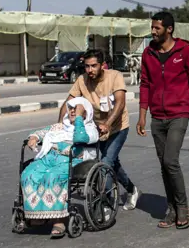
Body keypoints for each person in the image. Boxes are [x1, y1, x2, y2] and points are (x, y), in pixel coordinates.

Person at [137, 11, 189, 229]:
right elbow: (145, 84)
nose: (153, 31)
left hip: (179, 114)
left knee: (170, 161)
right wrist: (142, 116)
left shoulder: (186, 51)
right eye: (152, 27)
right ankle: (172, 208)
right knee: (163, 165)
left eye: (157, 28)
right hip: (157, 116)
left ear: (169, 29)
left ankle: (183, 207)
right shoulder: (148, 53)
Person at [60, 49, 141, 210]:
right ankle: (132, 190)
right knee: (112, 162)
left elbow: (120, 102)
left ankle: (105, 204)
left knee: (106, 162)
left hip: (117, 126)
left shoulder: (115, 76)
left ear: (102, 65)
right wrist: (59, 126)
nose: (90, 70)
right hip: (96, 129)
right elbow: (68, 103)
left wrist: (108, 124)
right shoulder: (82, 80)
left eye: (94, 66)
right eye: (87, 66)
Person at [20, 98, 99, 238]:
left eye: (77, 108)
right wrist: (34, 137)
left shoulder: (90, 129)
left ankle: (59, 221)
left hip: (71, 160)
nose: (73, 111)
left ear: (86, 111)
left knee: (53, 177)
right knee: (28, 174)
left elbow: (80, 139)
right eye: (71, 108)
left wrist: (79, 118)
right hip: (49, 158)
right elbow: (42, 132)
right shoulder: (61, 126)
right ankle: (37, 215)